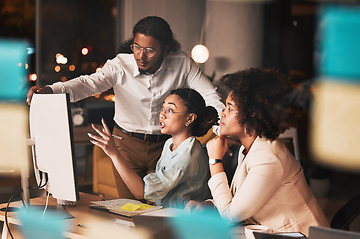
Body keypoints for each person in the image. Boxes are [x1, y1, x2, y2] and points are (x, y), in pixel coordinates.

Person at [26, 16, 224, 198]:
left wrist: (221, 130)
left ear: (165, 49)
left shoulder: (183, 64)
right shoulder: (120, 64)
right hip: (126, 145)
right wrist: (51, 90)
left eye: (150, 50)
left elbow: (209, 96)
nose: (141, 55)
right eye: (136, 47)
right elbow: (88, 84)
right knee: (130, 210)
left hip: (165, 147)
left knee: (159, 210)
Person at [185, 68, 329, 236]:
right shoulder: (250, 147)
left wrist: (215, 161)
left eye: (230, 109)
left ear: (252, 115)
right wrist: (210, 205)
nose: (222, 114)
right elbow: (239, 200)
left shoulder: (268, 156)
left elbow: (231, 216)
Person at [88, 88, 218, 208]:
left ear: (190, 118)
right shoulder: (170, 144)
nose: (162, 115)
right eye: (162, 108)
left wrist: (114, 154)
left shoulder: (186, 155)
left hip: (180, 221)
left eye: (170, 110)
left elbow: (141, 192)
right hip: (164, 213)